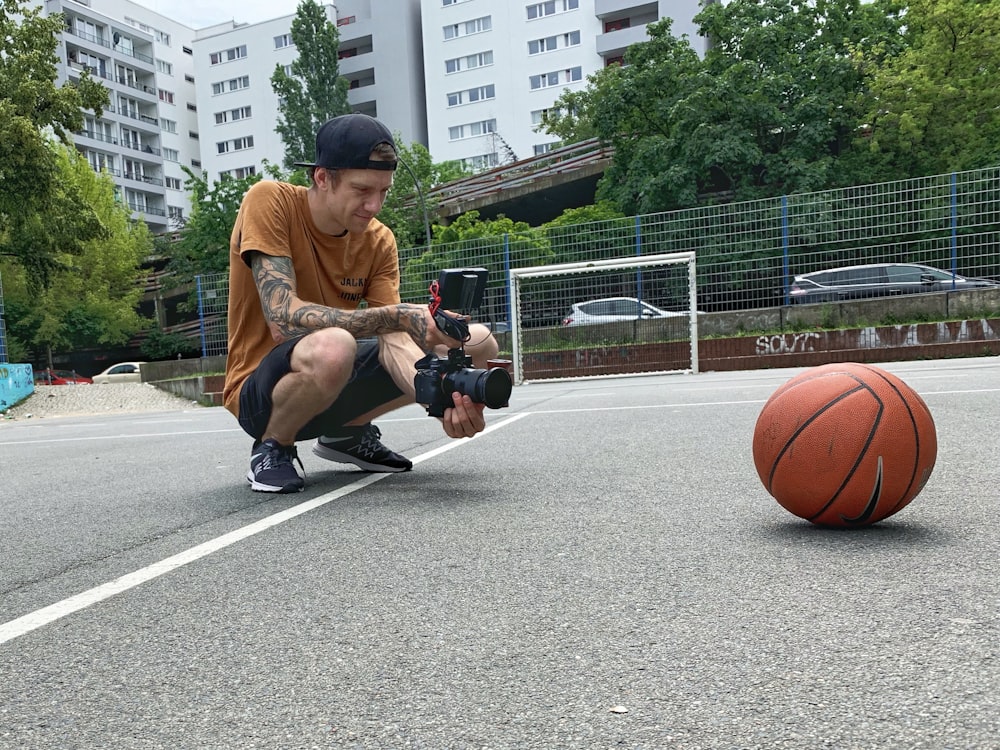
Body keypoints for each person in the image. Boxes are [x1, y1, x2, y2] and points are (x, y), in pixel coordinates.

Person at [223, 113, 499, 493]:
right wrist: (399, 315)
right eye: (362, 190)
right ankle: (273, 446)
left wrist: (440, 399)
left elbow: (394, 340)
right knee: (335, 345)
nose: (374, 205)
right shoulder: (271, 201)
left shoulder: (379, 239)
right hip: (262, 390)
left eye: (383, 191)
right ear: (323, 177)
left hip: (332, 381)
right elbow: (282, 319)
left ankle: (345, 436)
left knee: (477, 340)